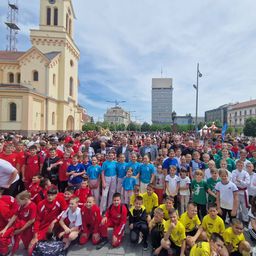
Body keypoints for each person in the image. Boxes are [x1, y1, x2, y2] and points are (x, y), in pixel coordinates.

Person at [28, 187, 67, 253]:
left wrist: (55, 220)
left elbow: (65, 210)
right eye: (48, 195)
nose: (50, 197)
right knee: (31, 244)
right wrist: (35, 235)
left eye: (52, 195)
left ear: (56, 195)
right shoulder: (41, 204)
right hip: (44, 224)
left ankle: (54, 237)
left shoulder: (60, 199)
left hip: (57, 222)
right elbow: (37, 220)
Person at [0, 190, 37, 254]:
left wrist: (20, 230)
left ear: (25, 199)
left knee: (29, 247)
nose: (17, 203)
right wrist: (5, 228)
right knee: (3, 236)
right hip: (19, 224)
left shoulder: (32, 206)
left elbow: (31, 220)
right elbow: (14, 216)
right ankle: (6, 252)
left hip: (28, 227)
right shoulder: (21, 205)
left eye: (18, 202)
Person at [231, 159, 250, 224]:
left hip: (244, 192)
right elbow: (233, 182)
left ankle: (245, 219)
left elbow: (247, 183)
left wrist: (240, 181)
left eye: (241, 165)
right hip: (236, 191)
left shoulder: (246, 173)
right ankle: (237, 219)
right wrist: (242, 182)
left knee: (245, 206)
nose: (240, 166)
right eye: (238, 165)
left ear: (243, 165)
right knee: (237, 205)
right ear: (236, 165)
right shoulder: (234, 172)